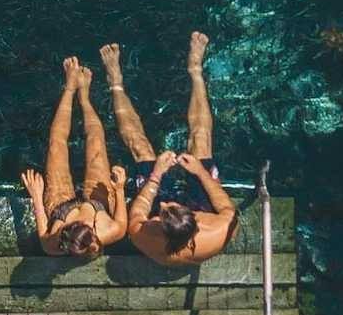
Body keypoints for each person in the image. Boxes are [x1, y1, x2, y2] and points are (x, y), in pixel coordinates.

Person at [100, 33, 238, 266]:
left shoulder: (145, 236)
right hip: (194, 210)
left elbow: (138, 214)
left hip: (162, 218)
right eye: (168, 206)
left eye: (163, 209)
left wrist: (156, 174)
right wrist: (199, 172)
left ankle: (115, 83)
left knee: (141, 148)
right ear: (194, 219)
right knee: (201, 141)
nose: (163, 204)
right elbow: (225, 206)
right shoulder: (222, 229)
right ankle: (195, 70)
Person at [20, 55, 125, 259]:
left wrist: (36, 196)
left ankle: (69, 88)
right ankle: (84, 97)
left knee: (56, 144)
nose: (85, 221)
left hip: (60, 207)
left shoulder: (53, 244)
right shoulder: (111, 231)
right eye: (88, 226)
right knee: (96, 140)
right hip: (98, 206)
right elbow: (122, 222)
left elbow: (43, 236)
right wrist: (119, 189)